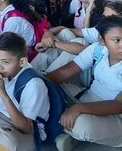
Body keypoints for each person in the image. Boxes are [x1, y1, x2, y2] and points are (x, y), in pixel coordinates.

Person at [47, 16, 122, 150]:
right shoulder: (98, 49)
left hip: (116, 115)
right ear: (102, 41)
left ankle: (61, 128)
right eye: (117, 40)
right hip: (86, 100)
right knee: (45, 90)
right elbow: (65, 72)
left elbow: (118, 104)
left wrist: (78, 109)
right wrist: (39, 85)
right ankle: (67, 131)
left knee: (82, 125)